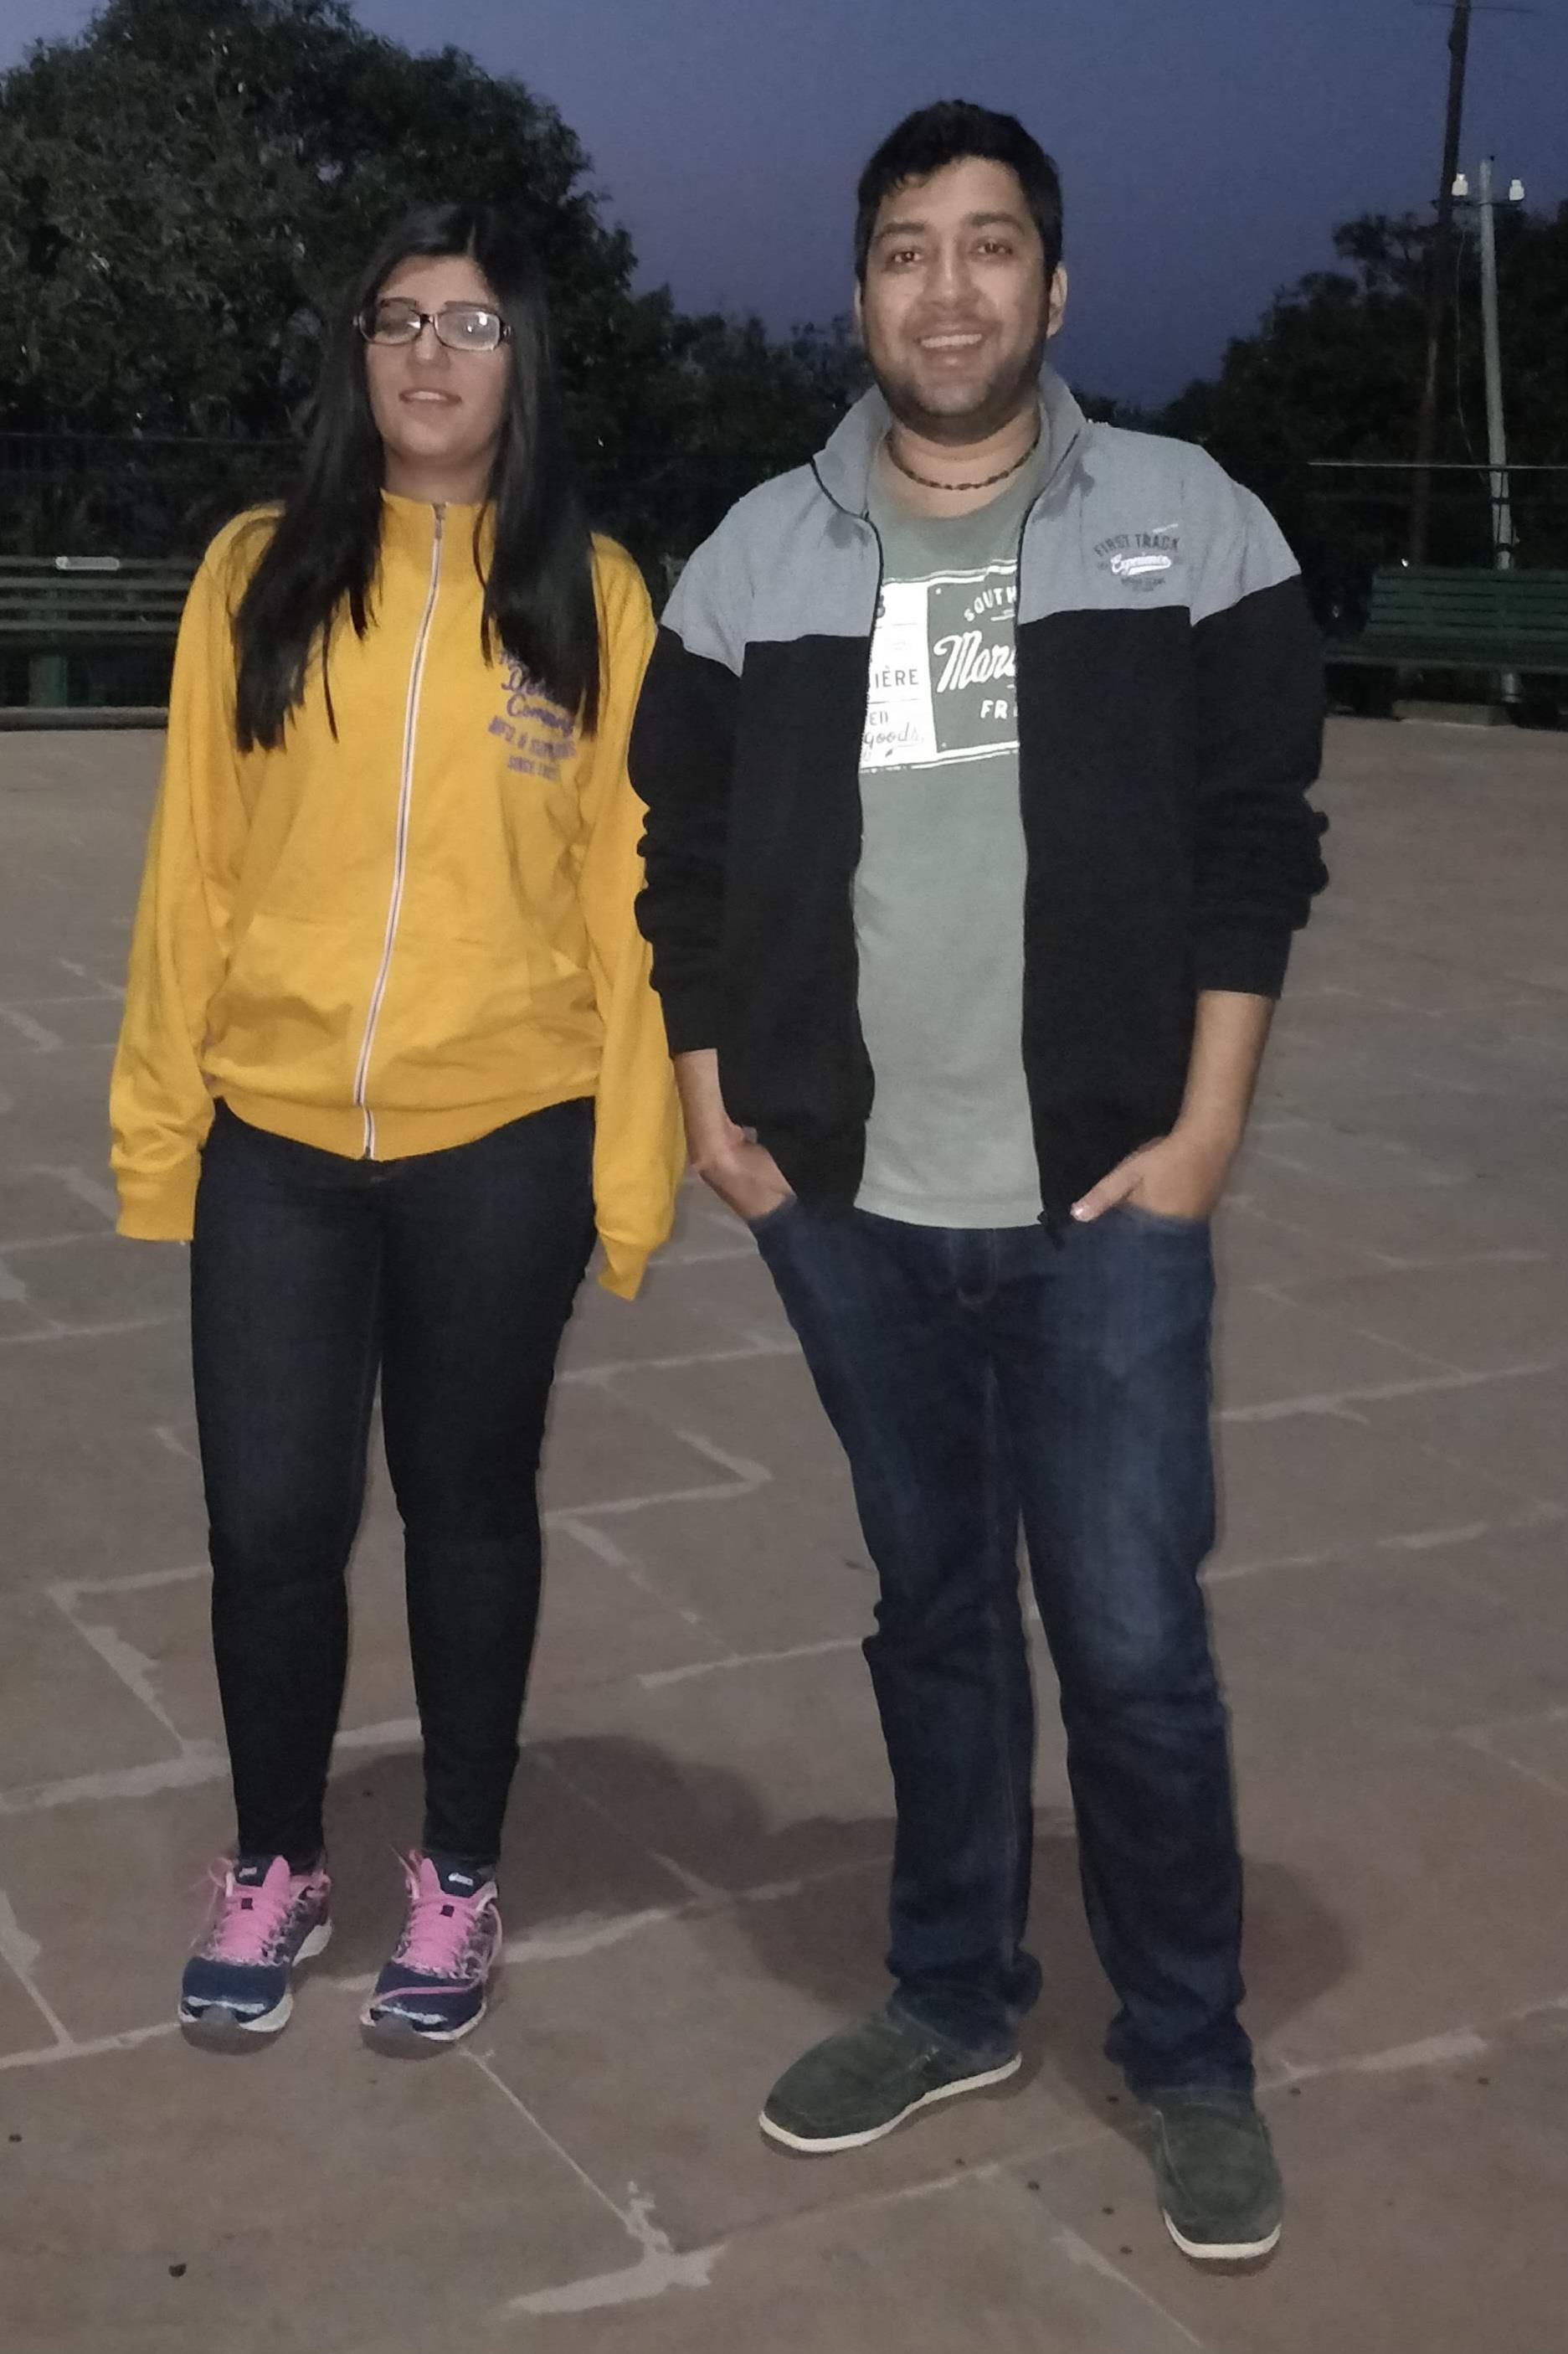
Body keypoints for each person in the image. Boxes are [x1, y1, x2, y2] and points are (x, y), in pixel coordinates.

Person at [631, 102, 1326, 2261]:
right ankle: (949, 1992)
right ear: (859, 295)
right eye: (908, 251)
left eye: (990, 245)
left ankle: (1188, 2049)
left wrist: (1203, 1132)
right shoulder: (759, 555)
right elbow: (682, 853)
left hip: (1104, 1191)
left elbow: (1255, 842)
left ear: (1055, 283)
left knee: (1129, 1637)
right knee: (931, 1613)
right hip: (847, 1197)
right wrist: (711, 1103)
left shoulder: (1190, 527)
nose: (949, 290)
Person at [110, 203, 681, 2054]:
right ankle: (276, 1860)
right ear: (357, 356)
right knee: (269, 1522)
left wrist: (629, 1168)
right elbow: (192, 869)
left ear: (527, 362)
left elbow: (628, 896)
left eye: (473, 322)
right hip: (275, 1139)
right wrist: (160, 1128)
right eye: (398, 320)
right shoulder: (257, 570)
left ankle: (458, 1869)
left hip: (502, 1131)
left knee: (467, 1506)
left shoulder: (591, 596)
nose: (432, 354)